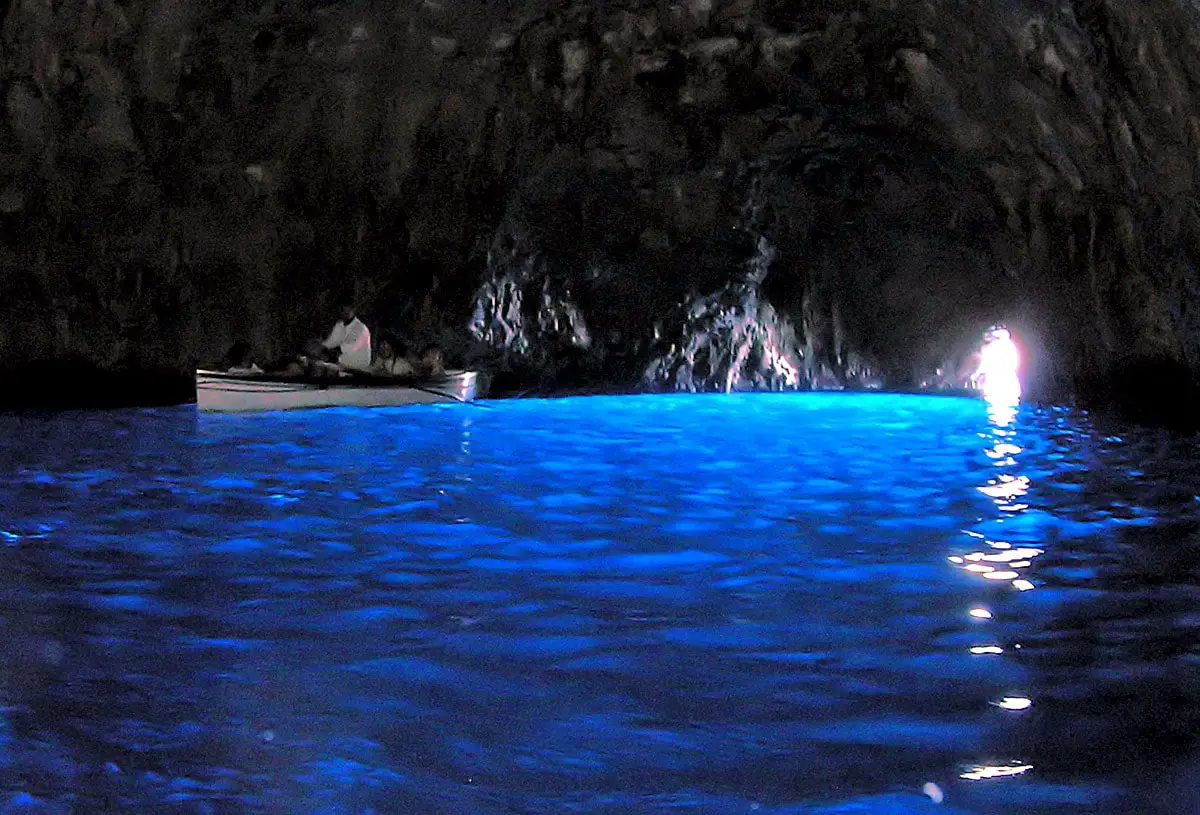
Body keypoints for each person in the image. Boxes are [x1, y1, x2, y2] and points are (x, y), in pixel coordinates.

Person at [321, 301, 371, 372]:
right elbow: (331, 342)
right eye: (344, 309)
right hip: (341, 363)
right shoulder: (339, 325)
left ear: (354, 310)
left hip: (357, 368)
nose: (346, 312)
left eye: (349, 309)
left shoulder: (360, 328)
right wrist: (320, 347)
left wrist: (326, 353)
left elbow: (347, 348)